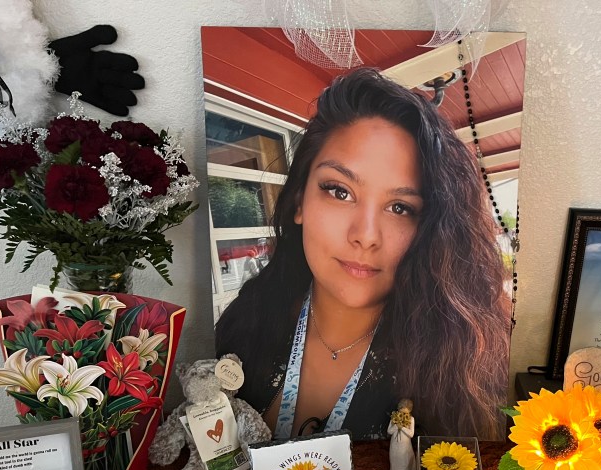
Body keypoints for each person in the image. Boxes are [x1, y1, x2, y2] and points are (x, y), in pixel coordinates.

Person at [215, 68, 510, 441]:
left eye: (401, 207)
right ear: (299, 201)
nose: (366, 236)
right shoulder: (245, 323)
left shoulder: (458, 371)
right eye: (340, 191)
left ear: (431, 228)